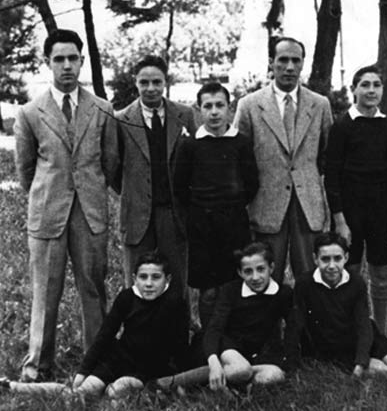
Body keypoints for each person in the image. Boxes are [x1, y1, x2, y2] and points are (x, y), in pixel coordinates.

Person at [13, 29, 118, 382]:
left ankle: (96, 363)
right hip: (47, 216)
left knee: (93, 288)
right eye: (59, 59)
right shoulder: (30, 113)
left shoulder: (102, 109)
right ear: (48, 63)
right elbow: (27, 170)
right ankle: (37, 366)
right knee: (45, 292)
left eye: (73, 58)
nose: (67, 66)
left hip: (90, 215)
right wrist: (50, 197)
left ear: (82, 61)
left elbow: (111, 162)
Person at [0, 251, 190, 398]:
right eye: (143, 277)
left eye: (156, 277)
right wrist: (83, 371)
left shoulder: (175, 304)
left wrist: (174, 379)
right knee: (80, 392)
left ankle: (112, 390)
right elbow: (105, 335)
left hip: (145, 369)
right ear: (134, 278)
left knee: (117, 392)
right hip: (119, 359)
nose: (148, 283)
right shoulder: (127, 297)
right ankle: (14, 386)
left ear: (168, 280)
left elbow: (180, 346)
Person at [235, 36, 333, 283]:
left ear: (302, 65)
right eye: (283, 60)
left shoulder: (320, 105)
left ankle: (305, 323)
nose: (289, 67)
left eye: (295, 61)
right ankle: (269, 323)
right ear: (271, 63)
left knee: (309, 277)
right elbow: (239, 158)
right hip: (266, 205)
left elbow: (327, 157)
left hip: (307, 205)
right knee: (267, 276)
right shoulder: (250, 105)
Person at [174, 82, 258, 330]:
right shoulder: (190, 145)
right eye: (207, 106)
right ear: (198, 110)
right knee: (208, 291)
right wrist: (201, 212)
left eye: (219, 105)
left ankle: (234, 338)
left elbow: (251, 183)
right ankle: (209, 343)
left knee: (234, 284)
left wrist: (232, 207)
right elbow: (181, 187)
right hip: (203, 227)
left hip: (234, 225)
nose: (214, 112)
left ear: (229, 108)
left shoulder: (240, 143)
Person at [324, 65, 387, 335]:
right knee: (352, 274)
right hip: (351, 214)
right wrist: (340, 221)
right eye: (365, 85)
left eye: (376, 85)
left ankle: (380, 333)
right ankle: (353, 333)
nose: (371, 90)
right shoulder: (342, 127)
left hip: (381, 213)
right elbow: (331, 178)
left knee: (381, 276)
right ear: (354, 89)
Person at [155, 242, 292, 391]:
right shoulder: (231, 290)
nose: (255, 277)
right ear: (240, 272)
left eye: (260, 269)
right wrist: (214, 363)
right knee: (241, 370)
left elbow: (293, 327)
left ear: (271, 268)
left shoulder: (282, 293)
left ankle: (225, 386)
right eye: (248, 271)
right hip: (224, 345)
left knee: (275, 375)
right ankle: (169, 383)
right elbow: (214, 329)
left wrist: (290, 359)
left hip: (253, 353)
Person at [113, 55, 197, 296]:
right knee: (137, 281)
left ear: (165, 81)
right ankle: (138, 331)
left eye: (157, 82)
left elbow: (195, 160)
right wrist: (132, 190)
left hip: (174, 213)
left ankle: (178, 330)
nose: (151, 89)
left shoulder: (185, 114)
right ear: (136, 83)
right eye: (144, 82)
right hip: (137, 213)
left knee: (177, 278)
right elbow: (113, 165)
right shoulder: (121, 120)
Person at [285, 232, 387, 377]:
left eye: (337, 259)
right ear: (315, 259)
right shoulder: (305, 284)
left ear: (346, 258)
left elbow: (363, 323)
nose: (331, 266)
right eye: (325, 259)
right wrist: (291, 364)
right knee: (384, 371)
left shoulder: (355, 282)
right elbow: (295, 324)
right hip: (336, 348)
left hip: (363, 338)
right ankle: (382, 357)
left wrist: (361, 360)